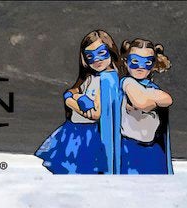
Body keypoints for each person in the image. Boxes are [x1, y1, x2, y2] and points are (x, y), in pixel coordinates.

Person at [36, 30, 124, 174]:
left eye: (101, 53)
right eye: (90, 56)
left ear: (110, 50)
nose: (96, 59)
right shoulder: (92, 77)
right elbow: (74, 91)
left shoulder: (107, 80)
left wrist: (70, 101)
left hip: (88, 136)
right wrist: (77, 98)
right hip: (75, 132)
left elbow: (95, 113)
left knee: (81, 171)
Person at [118, 38, 173, 174]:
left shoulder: (151, 86)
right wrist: (152, 100)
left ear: (153, 64)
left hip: (152, 147)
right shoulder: (127, 82)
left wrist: (148, 97)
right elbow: (142, 103)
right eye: (135, 61)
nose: (141, 67)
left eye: (147, 62)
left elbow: (167, 99)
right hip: (129, 148)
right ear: (126, 62)